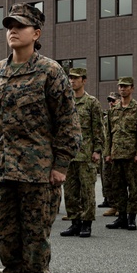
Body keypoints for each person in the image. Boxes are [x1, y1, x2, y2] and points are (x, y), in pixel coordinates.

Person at [0, 3, 81, 273]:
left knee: (35, 235)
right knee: (6, 235)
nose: (13, 30)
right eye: (9, 25)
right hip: (1, 169)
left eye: (20, 26)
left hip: (38, 170)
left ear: (36, 33)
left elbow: (67, 121)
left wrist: (61, 163)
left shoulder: (50, 71)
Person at [61, 67, 104, 238]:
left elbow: (98, 129)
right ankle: (74, 222)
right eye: (70, 78)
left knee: (87, 191)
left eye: (76, 78)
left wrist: (98, 150)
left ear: (84, 80)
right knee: (70, 191)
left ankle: (86, 223)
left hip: (86, 154)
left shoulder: (92, 103)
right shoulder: (65, 102)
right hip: (69, 155)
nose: (72, 81)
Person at [105, 76, 137, 230]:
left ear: (132, 88)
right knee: (118, 187)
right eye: (120, 86)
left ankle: (132, 218)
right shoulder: (113, 110)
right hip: (116, 155)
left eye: (126, 86)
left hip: (131, 156)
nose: (122, 89)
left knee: (133, 187)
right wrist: (108, 152)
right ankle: (121, 217)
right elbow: (109, 133)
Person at [101, 93, 121, 216]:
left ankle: (121, 206)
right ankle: (113, 204)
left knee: (119, 181)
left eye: (113, 100)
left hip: (119, 152)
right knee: (108, 180)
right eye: (109, 101)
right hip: (106, 151)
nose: (111, 103)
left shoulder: (121, 115)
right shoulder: (106, 117)